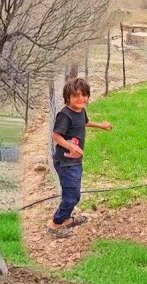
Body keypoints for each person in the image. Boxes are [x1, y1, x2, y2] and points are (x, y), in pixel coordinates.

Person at [47, 77, 112, 239]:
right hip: (65, 161)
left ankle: (67, 220)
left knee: (74, 193)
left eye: (84, 95)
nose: (81, 99)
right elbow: (56, 135)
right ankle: (54, 224)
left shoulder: (80, 110)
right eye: (76, 95)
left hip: (75, 161)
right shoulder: (65, 115)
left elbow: (85, 122)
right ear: (67, 97)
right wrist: (71, 146)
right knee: (71, 196)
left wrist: (101, 126)